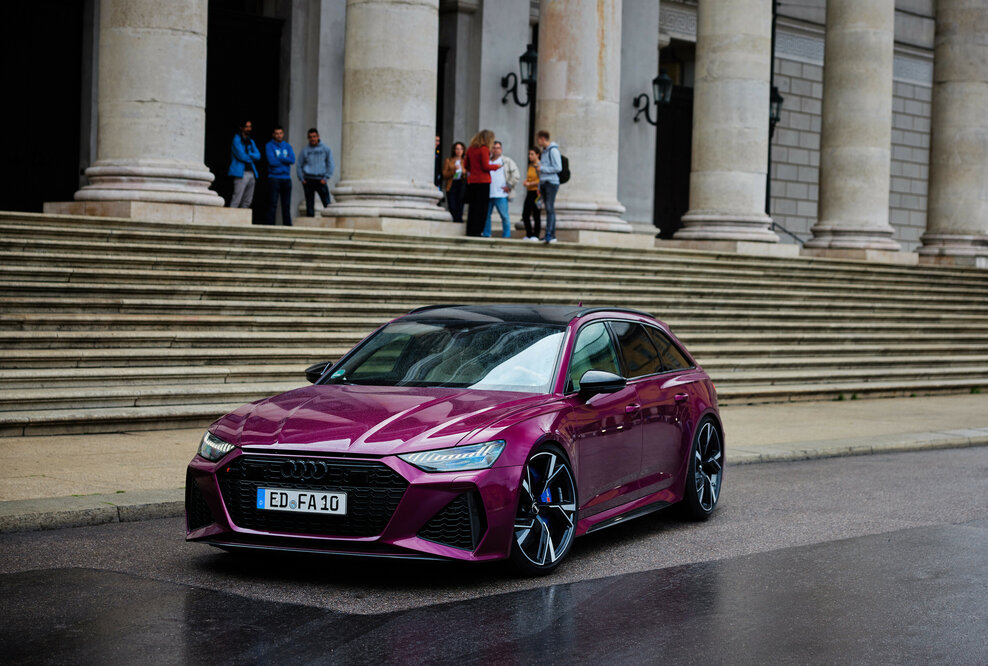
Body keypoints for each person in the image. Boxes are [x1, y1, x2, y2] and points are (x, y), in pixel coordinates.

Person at [463, 129, 501, 237]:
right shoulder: (484, 149)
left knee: (473, 207)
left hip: (473, 181)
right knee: (482, 208)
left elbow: (466, 165)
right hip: (483, 181)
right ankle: (477, 230)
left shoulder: (470, 149)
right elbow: (485, 166)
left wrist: (473, 170)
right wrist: (496, 166)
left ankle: (470, 230)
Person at [485, 141, 520, 238]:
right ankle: (487, 234)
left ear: (501, 149)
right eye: (494, 148)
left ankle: (506, 235)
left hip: (501, 194)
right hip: (488, 192)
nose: (496, 150)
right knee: (486, 215)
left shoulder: (506, 161)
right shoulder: (487, 161)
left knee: (504, 216)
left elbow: (516, 175)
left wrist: (509, 185)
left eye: (498, 148)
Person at [297, 128, 335, 217]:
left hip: (321, 179)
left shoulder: (325, 149)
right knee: (309, 204)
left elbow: (330, 163)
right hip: (308, 179)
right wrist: (302, 179)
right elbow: (299, 165)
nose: (312, 139)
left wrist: (326, 177)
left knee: (326, 203)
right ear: (308, 138)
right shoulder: (305, 150)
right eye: (310, 137)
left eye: (314, 136)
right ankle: (309, 221)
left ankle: (329, 220)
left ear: (318, 137)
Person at [265, 126, 296, 226]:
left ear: (283, 134)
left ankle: (287, 227)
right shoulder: (269, 145)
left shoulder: (287, 146)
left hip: (286, 178)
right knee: (272, 204)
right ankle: (270, 226)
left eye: (280, 133)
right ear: (273, 135)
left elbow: (292, 160)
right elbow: (272, 161)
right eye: (277, 133)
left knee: (286, 205)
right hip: (274, 178)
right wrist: (285, 159)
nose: (279, 135)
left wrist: (279, 157)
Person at [535, 129, 562, 244]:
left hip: (551, 183)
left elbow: (558, 167)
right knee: (548, 209)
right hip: (544, 183)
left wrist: (542, 168)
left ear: (542, 139)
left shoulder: (553, 151)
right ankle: (551, 234)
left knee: (550, 209)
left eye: (538, 139)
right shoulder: (544, 152)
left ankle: (549, 234)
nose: (538, 142)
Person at [228, 120, 261, 208]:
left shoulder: (251, 141)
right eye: (246, 127)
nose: (248, 129)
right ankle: (231, 217)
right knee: (236, 199)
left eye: (250, 127)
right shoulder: (236, 140)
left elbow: (258, 156)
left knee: (247, 201)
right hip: (240, 173)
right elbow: (241, 156)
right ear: (241, 128)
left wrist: (249, 154)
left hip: (252, 172)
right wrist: (252, 157)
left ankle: (243, 217)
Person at [442, 141, 467, 222]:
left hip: (461, 183)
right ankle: (455, 220)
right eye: (457, 149)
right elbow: (444, 175)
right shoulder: (448, 160)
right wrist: (453, 171)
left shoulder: (465, 161)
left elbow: (469, 173)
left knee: (460, 204)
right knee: (452, 205)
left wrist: (464, 172)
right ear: (454, 150)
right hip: (452, 184)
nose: (459, 151)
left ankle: (458, 220)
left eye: (461, 149)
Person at [522, 146, 542, 241]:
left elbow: (541, 180)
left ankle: (536, 235)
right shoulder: (530, 166)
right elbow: (530, 177)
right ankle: (529, 234)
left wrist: (530, 183)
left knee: (536, 214)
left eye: (532, 154)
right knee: (525, 214)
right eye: (529, 154)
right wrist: (526, 182)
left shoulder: (540, 166)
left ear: (537, 155)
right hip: (529, 191)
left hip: (537, 192)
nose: (530, 156)